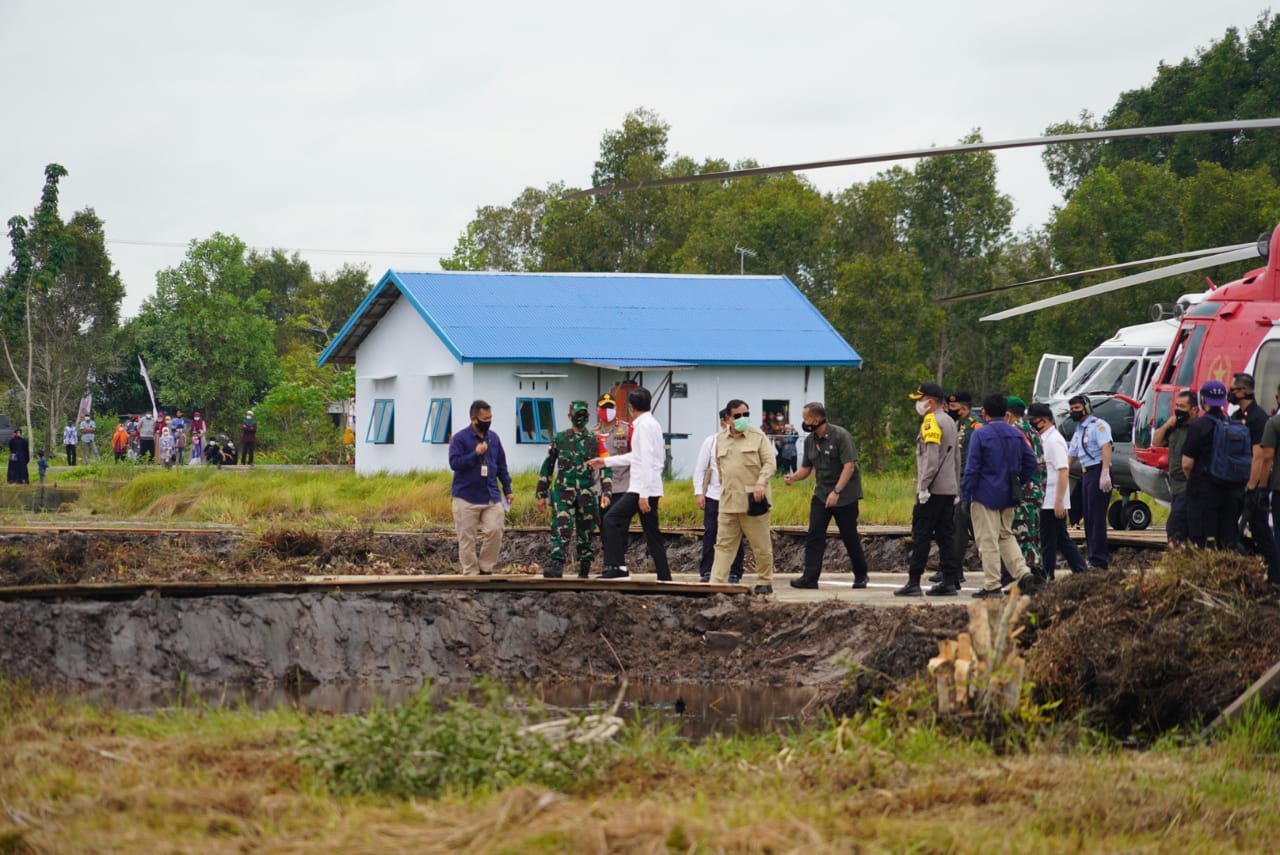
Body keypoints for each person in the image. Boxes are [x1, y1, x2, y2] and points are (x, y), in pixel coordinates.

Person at [960, 394, 1044, 598]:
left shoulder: (981, 434)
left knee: (987, 541)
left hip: (984, 493)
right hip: (1009, 494)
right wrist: (1019, 481)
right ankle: (1024, 573)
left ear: (985, 413)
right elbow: (1030, 462)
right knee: (1006, 535)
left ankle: (992, 585)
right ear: (1005, 412)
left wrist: (966, 494)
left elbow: (972, 468)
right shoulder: (1015, 433)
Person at [784, 401, 870, 590]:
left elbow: (849, 466)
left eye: (806, 418)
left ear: (816, 419)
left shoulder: (840, 435)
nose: (804, 422)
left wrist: (837, 491)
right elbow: (806, 468)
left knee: (849, 536)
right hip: (822, 493)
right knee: (814, 534)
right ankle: (809, 578)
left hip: (845, 494)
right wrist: (793, 477)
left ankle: (861, 574)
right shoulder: (809, 441)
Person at [588, 387, 670, 581]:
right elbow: (637, 456)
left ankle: (618, 568)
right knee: (651, 533)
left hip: (642, 488)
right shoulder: (652, 423)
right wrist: (606, 462)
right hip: (649, 486)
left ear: (630, 407)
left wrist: (642, 495)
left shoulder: (642, 426)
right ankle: (664, 576)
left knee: (611, 520)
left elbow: (647, 460)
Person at [895, 382, 962, 596]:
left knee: (921, 535)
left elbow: (931, 459)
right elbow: (956, 459)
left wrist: (923, 486)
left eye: (920, 400)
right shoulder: (951, 421)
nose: (918, 404)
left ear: (930, 402)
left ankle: (914, 581)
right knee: (946, 536)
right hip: (948, 489)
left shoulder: (931, 421)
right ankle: (950, 580)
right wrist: (956, 488)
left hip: (932, 490)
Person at [707, 399, 776, 594]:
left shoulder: (757, 436)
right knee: (723, 545)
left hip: (753, 500)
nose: (743, 419)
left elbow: (770, 464)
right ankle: (716, 583)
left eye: (746, 414)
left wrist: (761, 482)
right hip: (729, 501)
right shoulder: (720, 439)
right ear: (727, 419)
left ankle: (765, 580)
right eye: (737, 416)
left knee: (760, 544)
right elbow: (720, 470)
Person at [536, 400, 611, 579]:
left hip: (586, 492)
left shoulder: (595, 439)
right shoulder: (560, 439)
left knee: (586, 531)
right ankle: (557, 565)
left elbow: (605, 466)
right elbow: (548, 465)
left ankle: (584, 567)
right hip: (563, 492)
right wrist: (541, 493)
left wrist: (606, 491)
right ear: (570, 416)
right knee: (561, 529)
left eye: (584, 414)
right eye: (578, 414)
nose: (581, 418)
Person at [448, 400, 513, 576]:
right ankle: (471, 573)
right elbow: (454, 463)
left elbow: (501, 465)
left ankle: (485, 568)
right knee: (467, 538)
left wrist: (507, 489)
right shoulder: (460, 439)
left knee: (495, 530)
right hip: (466, 496)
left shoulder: (494, 437)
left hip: (491, 495)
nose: (488, 421)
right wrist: (476, 453)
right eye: (485, 418)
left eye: (490, 417)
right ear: (474, 419)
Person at [1182, 380, 1243, 551]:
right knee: (1227, 540)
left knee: (1203, 542)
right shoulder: (1234, 425)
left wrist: (1194, 482)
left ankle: (1206, 575)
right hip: (1231, 491)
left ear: (1203, 400)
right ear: (1224, 400)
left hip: (1204, 491)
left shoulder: (1198, 426)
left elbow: (1186, 464)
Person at [1030, 402, 1087, 578]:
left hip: (1053, 500)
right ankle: (1080, 570)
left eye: (1034, 421)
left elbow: (1063, 470)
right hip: (1048, 498)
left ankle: (1048, 574)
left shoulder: (1054, 440)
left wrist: (1060, 501)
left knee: (1050, 540)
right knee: (1060, 539)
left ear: (1044, 421)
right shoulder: (1043, 438)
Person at [1232, 373, 1277, 579]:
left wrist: (1253, 487)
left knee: (1260, 530)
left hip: (1253, 483)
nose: (1230, 393)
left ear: (1242, 391)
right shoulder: (1236, 417)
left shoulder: (1259, 418)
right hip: (1238, 482)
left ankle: (1275, 574)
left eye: (1233, 389)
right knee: (1235, 530)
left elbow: (1260, 456)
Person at [693, 408, 745, 584]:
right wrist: (699, 492)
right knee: (712, 533)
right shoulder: (712, 441)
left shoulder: (744, 440)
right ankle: (707, 570)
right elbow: (700, 468)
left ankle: (734, 571)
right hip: (715, 495)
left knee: (736, 534)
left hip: (736, 495)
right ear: (724, 421)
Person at [1066, 394, 1113, 570]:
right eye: (1071, 409)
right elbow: (1072, 454)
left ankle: (1099, 560)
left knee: (1096, 518)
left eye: (1077, 408)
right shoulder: (1079, 430)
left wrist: (1105, 471)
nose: (1074, 412)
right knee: (1088, 516)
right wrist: (1062, 470)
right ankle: (1093, 557)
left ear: (1086, 407)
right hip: (1086, 474)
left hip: (1098, 470)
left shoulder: (1098, 425)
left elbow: (1106, 446)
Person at [944, 391, 983, 583]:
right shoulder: (958, 424)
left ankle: (954, 569)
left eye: (953, 408)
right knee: (961, 525)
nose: (950, 411)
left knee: (961, 525)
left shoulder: (976, 426)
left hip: (968, 481)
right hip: (956, 480)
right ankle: (954, 568)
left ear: (965, 408)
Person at [1152, 390, 1199, 547]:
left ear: (1193, 409)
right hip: (1175, 485)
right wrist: (1167, 425)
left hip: (1188, 484)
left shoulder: (1198, 428)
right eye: (1177, 406)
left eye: (1182, 406)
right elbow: (1156, 442)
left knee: (1175, 528)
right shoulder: (1174, 427)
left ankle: (1180, 559)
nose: (1178, 409)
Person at [1005, 397, 1045, 580]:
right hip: (1036, 490)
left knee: (1022, 536)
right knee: (1033, 536)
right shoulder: (1033, 431)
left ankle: (1030, 577)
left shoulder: (1016, 431)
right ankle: (1036, 573)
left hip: (1024, 491)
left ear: (1008, 414)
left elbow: (1019, 461)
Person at [594, 393, 632, 505]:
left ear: (615, 409)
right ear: (597, 410)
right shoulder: (593, 432)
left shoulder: (626, 429)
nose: (607, 410)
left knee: (617, 521)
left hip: (621, 487)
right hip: (599, 488)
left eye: (610, 407)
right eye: (604, 407)